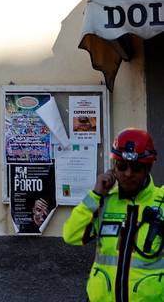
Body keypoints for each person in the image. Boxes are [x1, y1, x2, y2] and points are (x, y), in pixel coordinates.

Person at [64, 128, 164, 301]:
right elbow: (71, 235)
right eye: (122, 166)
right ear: (114, 167)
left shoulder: (162, 202)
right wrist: (94, 195)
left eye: (136, 168)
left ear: (148, 168)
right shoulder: (103, 202)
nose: (128, 174)